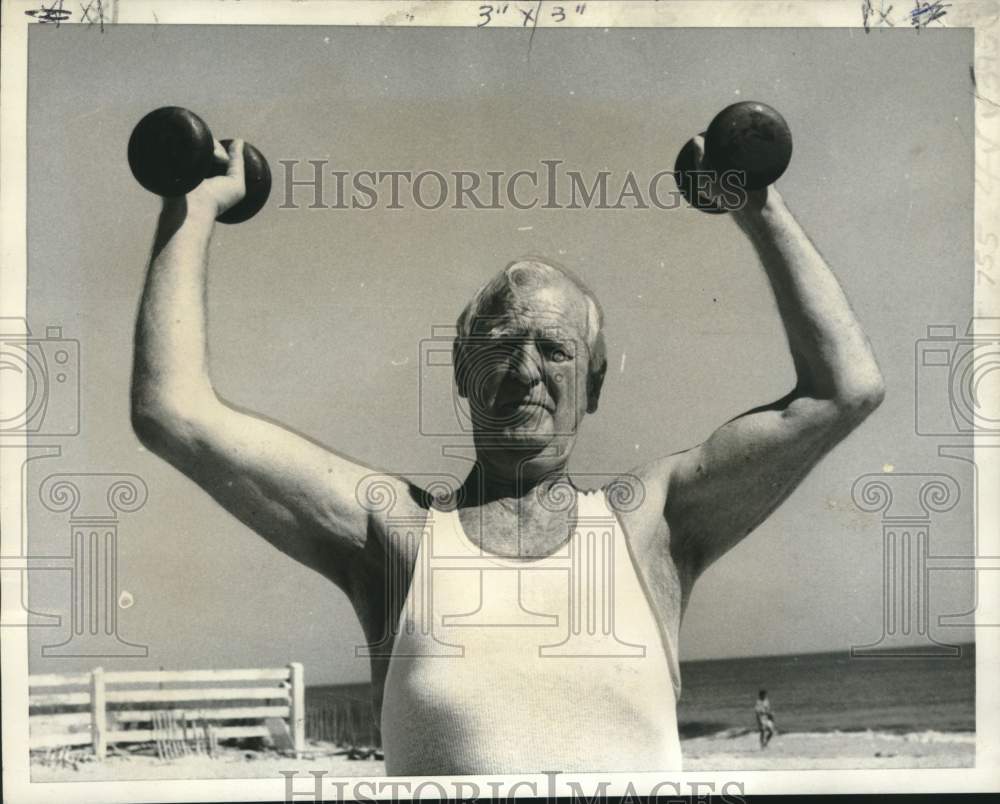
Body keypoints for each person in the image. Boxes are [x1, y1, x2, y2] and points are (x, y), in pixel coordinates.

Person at [130, 137, 884, 775]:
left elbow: (843, 392)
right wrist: (190, 209)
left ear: (591, 384)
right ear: (462, 373)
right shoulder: (394, 535)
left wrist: (756, 204)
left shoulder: (649, 527)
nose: (525, 371)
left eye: (555, 349)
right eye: (500, 345)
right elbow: (176, 414)